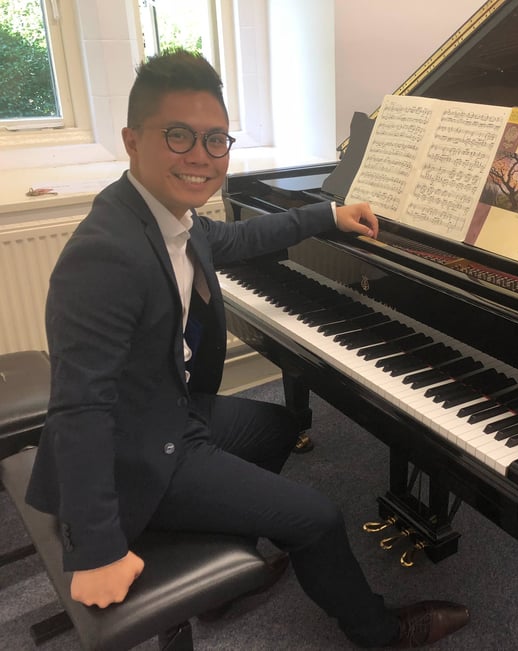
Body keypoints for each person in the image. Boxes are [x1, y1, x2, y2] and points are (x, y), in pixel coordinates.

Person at [24, 49, 469, 647]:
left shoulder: (165, 217)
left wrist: (329, 214)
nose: (200, 156)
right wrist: (97, 548)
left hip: (164, 413)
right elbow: (79, 409)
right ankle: (379, 631)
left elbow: (238, 236)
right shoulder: (104, 255)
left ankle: (226, 567)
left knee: (278, 427)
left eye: (215, 139)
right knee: (318, 516)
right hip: (135, 453)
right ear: (132, 141)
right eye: (178, 135)